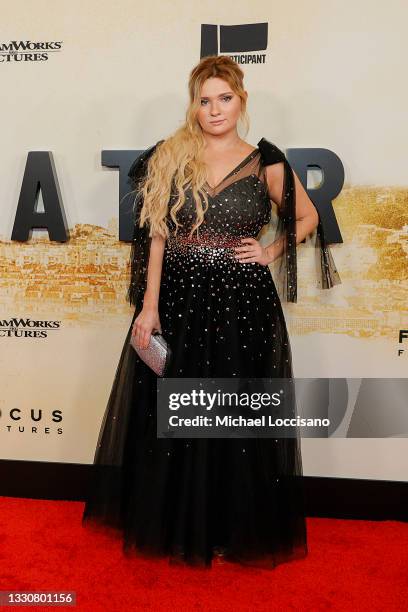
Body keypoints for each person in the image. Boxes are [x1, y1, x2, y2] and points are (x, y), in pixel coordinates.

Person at [82, 55, 341, 568]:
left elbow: (307, 216)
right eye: (205, 100)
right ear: (194, 106)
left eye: (225, 98)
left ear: (242, 100)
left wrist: (268, 252)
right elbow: (157, 234)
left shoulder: (266, 160)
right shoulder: (172, 154)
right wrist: (149, 305)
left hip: (241, 303)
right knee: (172, 407)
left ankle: (226, 525)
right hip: (176, 297)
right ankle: (173, 523)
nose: (215, 109)